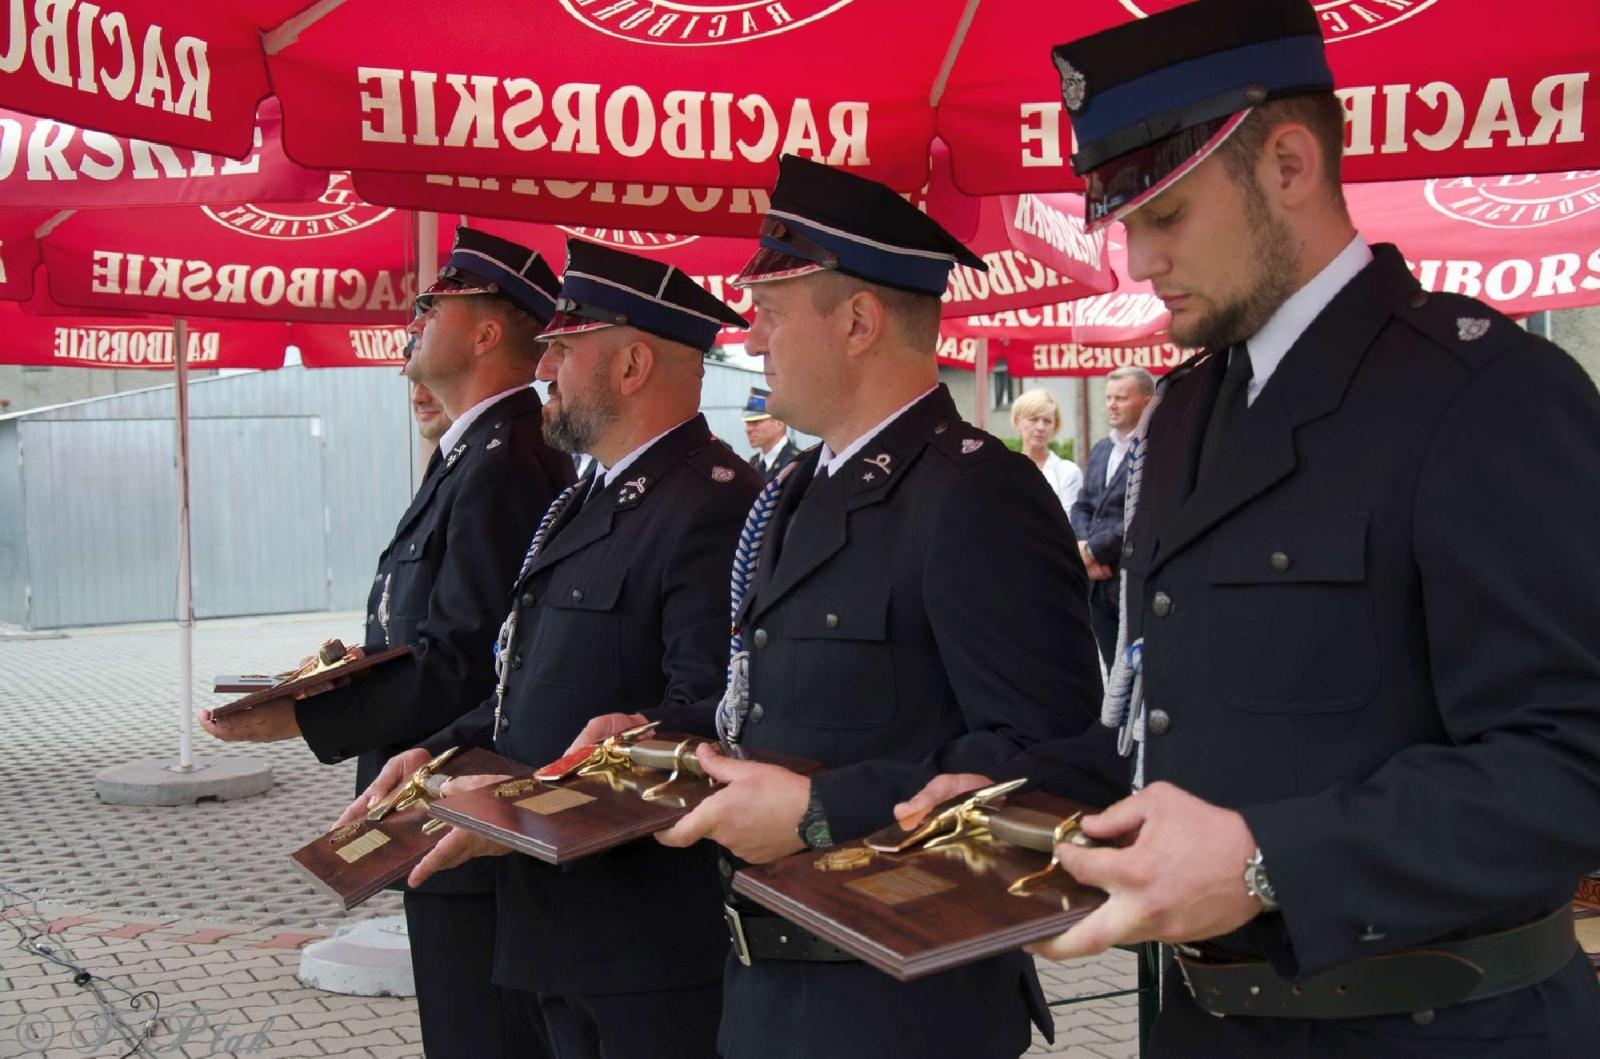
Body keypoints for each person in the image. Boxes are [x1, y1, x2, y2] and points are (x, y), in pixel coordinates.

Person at [904, 1, 1600, 1054]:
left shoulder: (1484, 395)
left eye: (1166, 217)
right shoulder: (1187, 409)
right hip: (1209, 1025)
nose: (1139, 262)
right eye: (1126, 223)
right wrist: (1032, 795)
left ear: (1286, 165)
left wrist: (1268, 858)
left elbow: (1570, 763)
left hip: (1437, 1028)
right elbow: (1190, 721)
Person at [634, 154, 1111, 1059]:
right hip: (770, 989)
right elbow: (771, 703)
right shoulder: (795, 485)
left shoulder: (977, 495)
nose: (751, 338)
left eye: (771, 314)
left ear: (858, 321)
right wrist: (662, 734)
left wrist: (823, 809)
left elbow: (1053, 762)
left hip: (907, 1007)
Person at [345, 239, 762, 1059]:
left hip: (644, 937)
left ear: (634, 364)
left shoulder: (710, 502)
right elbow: (518, 692)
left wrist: (521, 803)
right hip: (549, 923)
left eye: (566, 349)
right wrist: (434, 750)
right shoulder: (583, 498)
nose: (545, 369)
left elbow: (710, 718)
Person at [201, 227, 575, 1059]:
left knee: (482, 1034)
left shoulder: (506, 459)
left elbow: (469, 668)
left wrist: (303, 721)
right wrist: (345, 669)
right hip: (436, 805)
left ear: (484, 332)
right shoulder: (476, 450)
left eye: (428, 305)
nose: (411, 324)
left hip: (465, 807)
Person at [1071, 367, 1154, 666]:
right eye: (1108, 398)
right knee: (1110, 665)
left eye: (1121, 398)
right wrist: (1082, 547)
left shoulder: (1156, 448)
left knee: (1139, 671)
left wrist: (1094, 550)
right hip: (1098, 586)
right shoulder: (1102, 449)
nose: (1111, 405)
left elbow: (1145, 514)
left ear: (1147, 402)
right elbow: (1083, 505)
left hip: (1132, 579)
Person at [1010, 387, 1083, 514]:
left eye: (1047, 421)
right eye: (1033, 419)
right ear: (1017, 421)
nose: (1040, 427)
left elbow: (1069, 521)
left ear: (1055, 426)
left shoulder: (1068, 473)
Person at [741, 386, 802, 481]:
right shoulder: (753, 462)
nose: (748, 429)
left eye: (756, 422)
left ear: (779, 423)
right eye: (747, 423)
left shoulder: (798, 463)